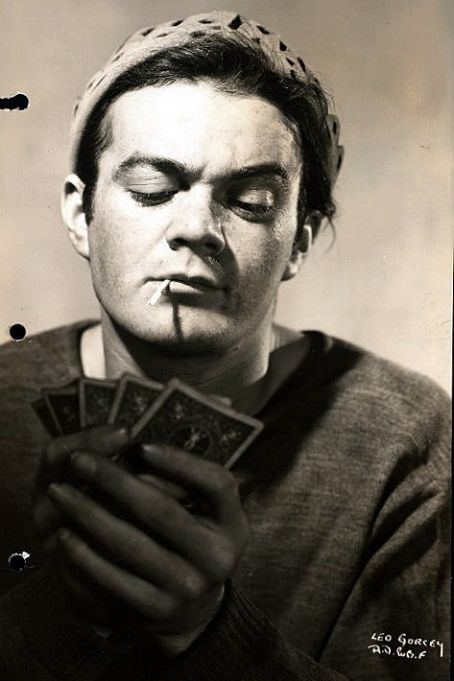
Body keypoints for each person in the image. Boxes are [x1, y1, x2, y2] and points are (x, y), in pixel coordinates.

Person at [0, 10, 450, 681]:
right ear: (80, 212)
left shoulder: (406, 441)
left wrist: (207, 631)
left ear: (299, 239)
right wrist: (56, 610)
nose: (196, 229)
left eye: (250, 201)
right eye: (153, 189)